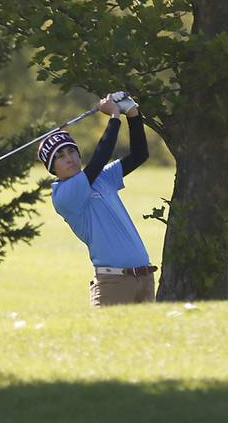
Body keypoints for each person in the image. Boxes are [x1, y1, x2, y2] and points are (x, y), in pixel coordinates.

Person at [38, 92, 156, 307]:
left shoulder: (102, 178)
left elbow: (139, 154)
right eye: (60, 156)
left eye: (71, 151)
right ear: (52, 169)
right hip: (113, 284)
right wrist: (113, 117)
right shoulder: (63, 195)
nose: (69, 158)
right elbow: (99, 159)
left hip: (145, 279)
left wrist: (132, 113)